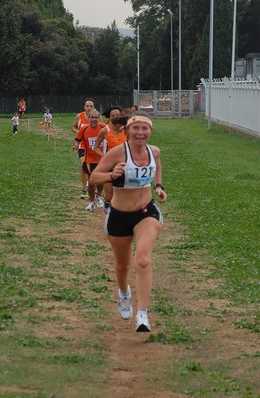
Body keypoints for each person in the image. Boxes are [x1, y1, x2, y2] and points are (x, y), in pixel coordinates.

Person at [89, 112, 167, 332]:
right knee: (123, 266)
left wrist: (159, 187)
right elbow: (95, 178)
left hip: (146, 212)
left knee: (142, 259)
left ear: (150, 131)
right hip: (119, 215)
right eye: (136, 128)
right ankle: (124, 293)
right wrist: (112, 175)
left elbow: (158, 165)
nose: (141, 133)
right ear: (127, 131)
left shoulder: (155, 152)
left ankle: (142, 314)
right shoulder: (117, 153)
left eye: (145, 129)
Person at [93, 107, 128, 211]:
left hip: (124, 166)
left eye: (117, 115)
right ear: (109, 118)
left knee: (123, 194)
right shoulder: (105, 130)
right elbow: (96, 147)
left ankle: (118, 213)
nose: (115, 117)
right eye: (113, 115)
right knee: (109, 195)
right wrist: (106, 157)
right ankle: (107, 207)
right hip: (109, 167)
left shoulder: (127, 130)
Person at [73, 109, 107, 211]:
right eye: (92, 117)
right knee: (91, 182)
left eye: (96, 117)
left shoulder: (104, 128)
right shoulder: (84, 129)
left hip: (102, 159)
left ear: (99, 118)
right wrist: (75, 145)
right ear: (89, 118)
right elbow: (77, 140)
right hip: (89, 160)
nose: (94, 119)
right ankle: (91, 202)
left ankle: (99, 196)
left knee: (100, 181)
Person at [72, 98, 96, 199]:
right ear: (84, 107)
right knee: (84, 165)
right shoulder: (80, 116)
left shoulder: (96, 117)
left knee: (92, 168)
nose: (89, 108)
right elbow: (73, 127)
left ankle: (91, 186)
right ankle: (84, 188)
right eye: (87, 106)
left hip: (94, 147)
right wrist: (77, 132)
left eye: (91, 106)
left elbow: (103, 129)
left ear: (93, 107)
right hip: (82, 145)